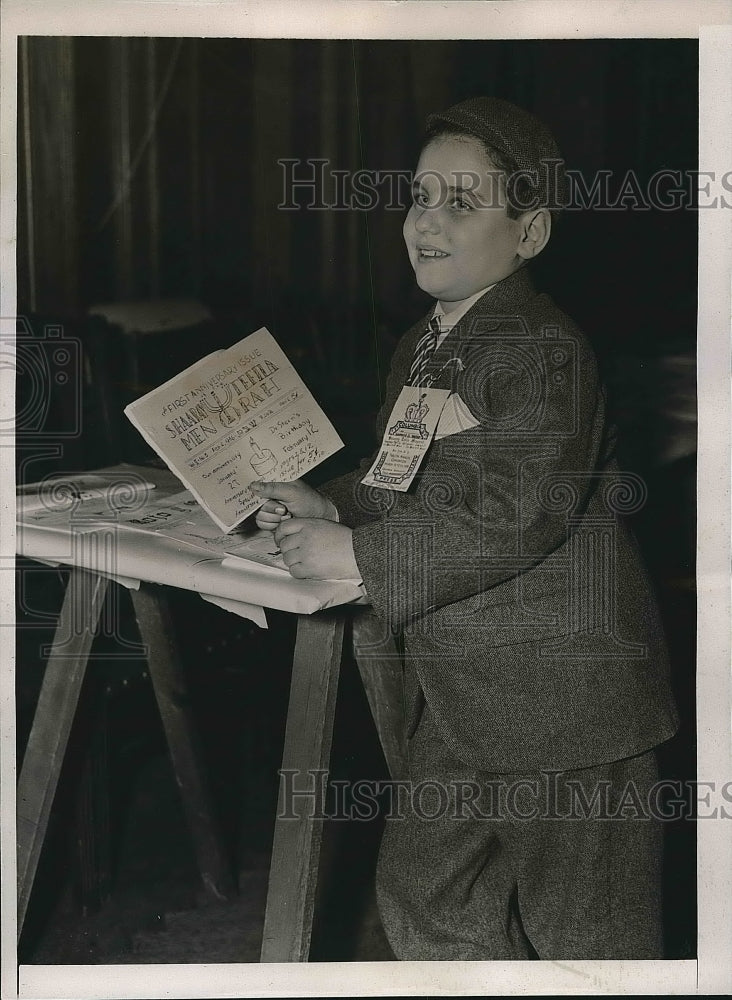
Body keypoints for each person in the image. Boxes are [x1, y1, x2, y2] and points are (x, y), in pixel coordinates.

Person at [251, 96, 679, 960]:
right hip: (465, 699)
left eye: (462, 203)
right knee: (426, 892)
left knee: (589, 935)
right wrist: (334, 504)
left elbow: (512, 513)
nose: (426, 223)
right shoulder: (425, 342)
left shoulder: (542, 348)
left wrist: (360, 555)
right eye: (418, 198)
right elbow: (405, 471)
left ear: (531, 234)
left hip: (570, 702)